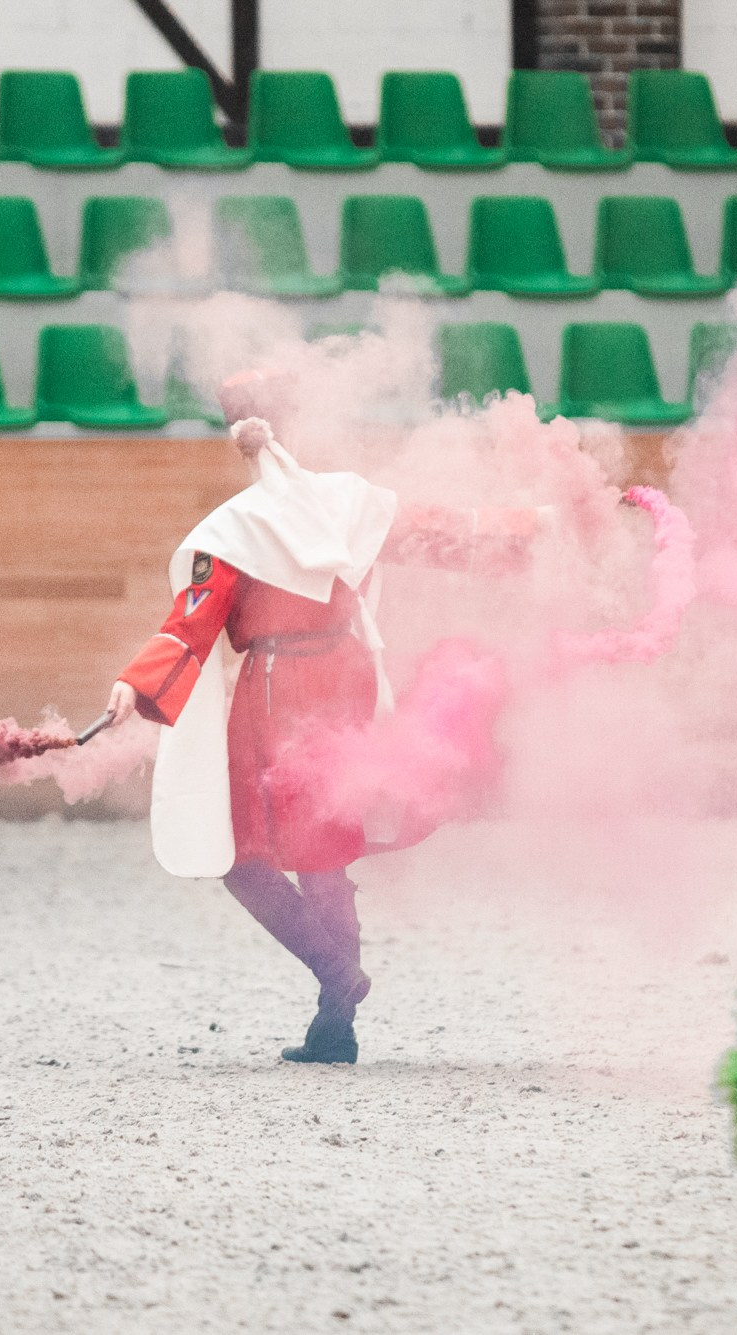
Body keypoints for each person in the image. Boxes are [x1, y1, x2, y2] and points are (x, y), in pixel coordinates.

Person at [107, 372, 543, 1064]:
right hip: (347, 676)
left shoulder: (236, 528)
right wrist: (523, 534)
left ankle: (336, 978)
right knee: (326, 850)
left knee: (243, 854)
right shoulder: (351, 503)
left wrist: (135, 686)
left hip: (278, 689)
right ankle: (335, 1022)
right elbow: (440, 535)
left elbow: (189, 626)